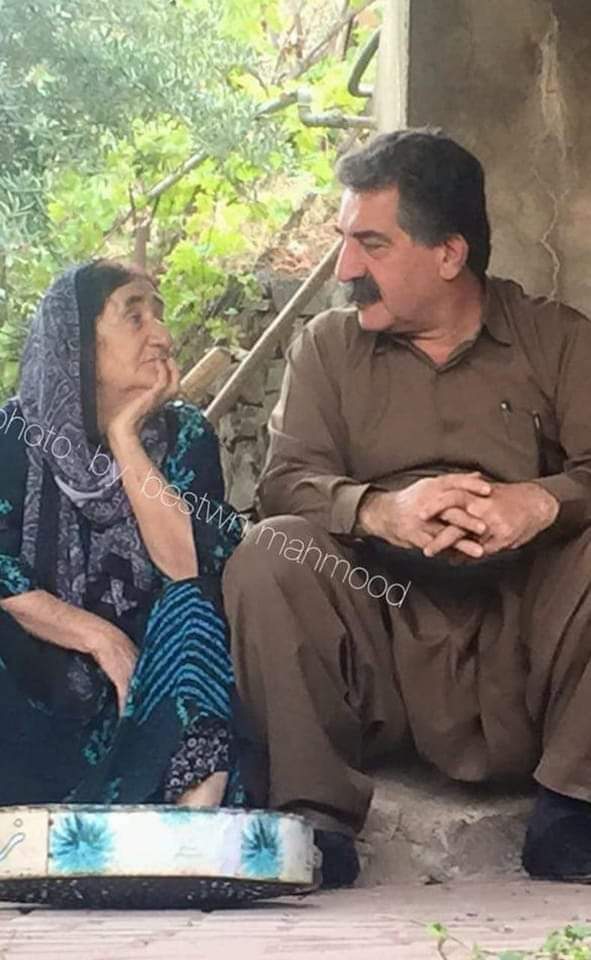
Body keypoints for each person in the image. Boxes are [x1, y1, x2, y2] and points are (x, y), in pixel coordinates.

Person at [223, 128, 591, 886]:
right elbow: (284, 482)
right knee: (271, 551)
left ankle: (574, 808)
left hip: (527, 634)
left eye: (371, 245)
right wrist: (378, 511)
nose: (345, 269)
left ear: (449, 254)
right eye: (343, 241)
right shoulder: (326, 347)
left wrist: (538, 502)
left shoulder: (558, 339)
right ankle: (315, 821)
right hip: (382, 626)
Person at [0, 260, 244, 809]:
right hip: (34, 705)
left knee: (195, 606)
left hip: (145, 702)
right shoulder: (11, 437)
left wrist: (125, 437)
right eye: (135, 317)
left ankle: (189, 825)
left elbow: (187, 566)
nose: (162, 336)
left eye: (160, 316)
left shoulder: (185, 437)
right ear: (76, 342)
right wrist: (100, 637)